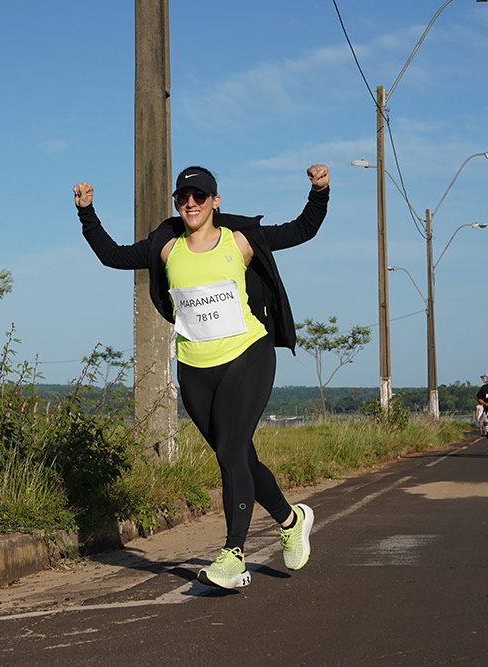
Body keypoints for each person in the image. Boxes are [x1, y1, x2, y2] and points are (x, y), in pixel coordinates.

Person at [73, 163, 330, 589]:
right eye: (183, 197)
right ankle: (291, 519)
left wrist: (319, 191)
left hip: (247, 354)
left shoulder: (240, 240)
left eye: (199, 196)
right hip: (194, 367)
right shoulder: (165, 247)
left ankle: (233, 556)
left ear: (215, 201)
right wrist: (87, 212)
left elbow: (304, 229)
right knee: (238, 457)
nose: (190, 203)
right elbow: (112, 256)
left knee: (230, 452)